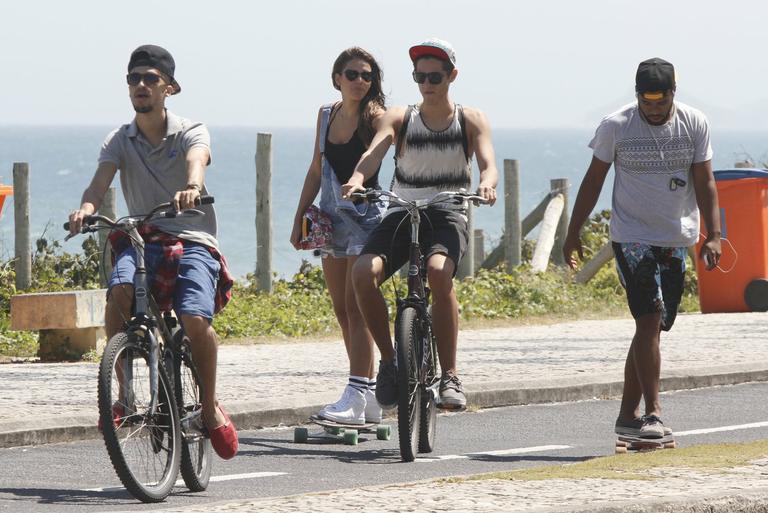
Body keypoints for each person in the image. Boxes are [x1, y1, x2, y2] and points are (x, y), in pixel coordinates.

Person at [68, 44, 238, 459]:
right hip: (142, 234)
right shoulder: (119, 139)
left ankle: (210, 407)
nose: (141, 85)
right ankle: (124, 393)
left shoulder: (191, 130)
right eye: (133, 79)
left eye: (150, 79)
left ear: (170, 88)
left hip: (193, 237)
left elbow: (197, 160)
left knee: (195, 319)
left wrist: (192, 188)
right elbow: (98, 183)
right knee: (119, 291)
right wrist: (86, 208)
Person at [563, 58, 722, 438]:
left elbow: (706, 182)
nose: (652, 109)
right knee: (648, 319)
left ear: (672, 94)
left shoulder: (694, 123)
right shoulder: (615, 126)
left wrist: (715, 234)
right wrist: (573, 233)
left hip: (675, 237)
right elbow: (592, 182)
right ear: (637, 96)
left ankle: (625, 417)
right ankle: (653, 414)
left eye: (659, 102)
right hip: (631, 236)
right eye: (645, 102)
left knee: (653, 328)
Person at [342, 38, 498, 411]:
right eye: (419, 76)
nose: (426, 83)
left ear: (451, 76)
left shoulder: (470, 119)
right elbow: (374, 151)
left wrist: (487, 184)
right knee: (363, 273)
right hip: (402, 209)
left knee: (438, 272)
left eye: (435, 76)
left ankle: (450, 375)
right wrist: (357, 180)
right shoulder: (400, 116)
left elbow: (488, 162)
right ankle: (391, 362)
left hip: (447, 212)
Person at [290, 48, 387, 425]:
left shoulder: (376, 117)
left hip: (366, 221)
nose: (360, 81)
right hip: (331, 219)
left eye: (367, 75)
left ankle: (356, 393)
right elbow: (317, 167)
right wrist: (300, 216)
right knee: (343, 311)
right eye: (352, 74)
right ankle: (369, 394)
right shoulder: (326, 115)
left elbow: (382, 150)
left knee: (358, 307)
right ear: (337, 78)